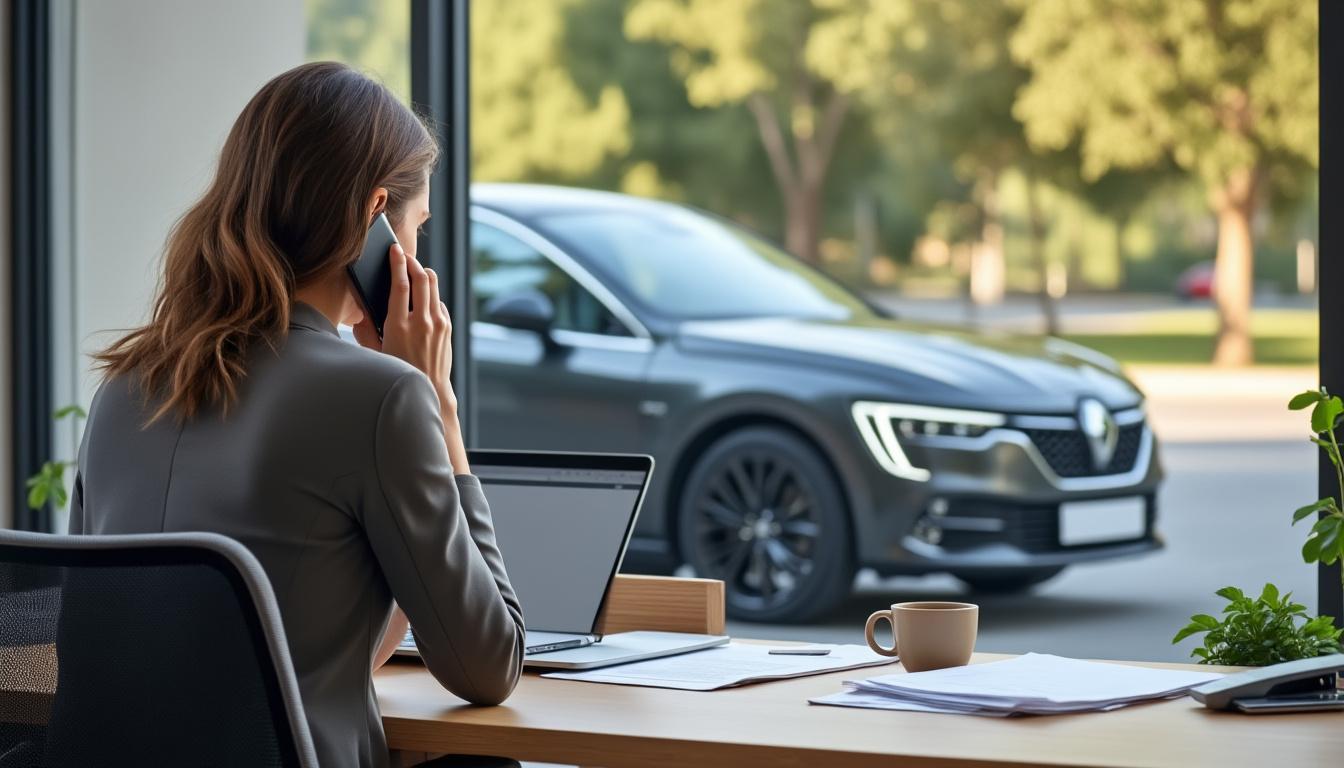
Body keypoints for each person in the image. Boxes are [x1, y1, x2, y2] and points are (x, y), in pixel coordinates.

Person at [67, 62, 524, 767]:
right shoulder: (383, 399)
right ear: (375, 219)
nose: (418, 254)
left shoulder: (122, 391)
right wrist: (440, 405)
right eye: (417, 226)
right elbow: (488, 666)